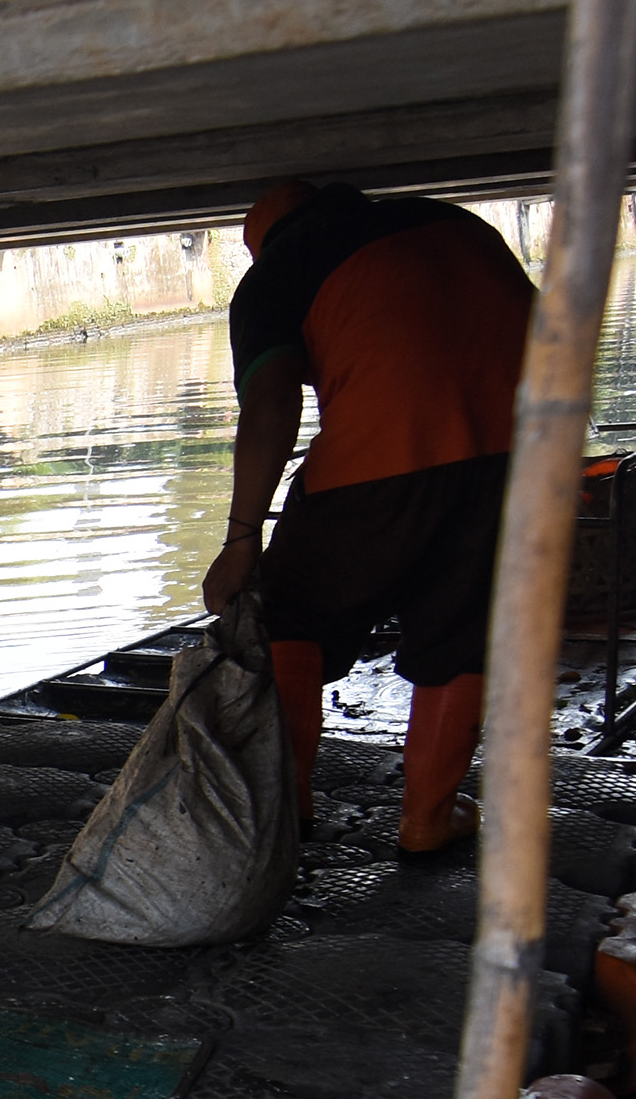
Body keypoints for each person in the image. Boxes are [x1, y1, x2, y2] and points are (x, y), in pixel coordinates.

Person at [202, 178, 539, 855]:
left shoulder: (278, 273)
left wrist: (242, 539)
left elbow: (272, 407)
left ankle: (284, 813)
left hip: (383, 458)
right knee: (463, 633)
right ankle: (426, 822)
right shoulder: (453, 224)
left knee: (290, 615)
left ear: (260, 244)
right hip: (525, 453)